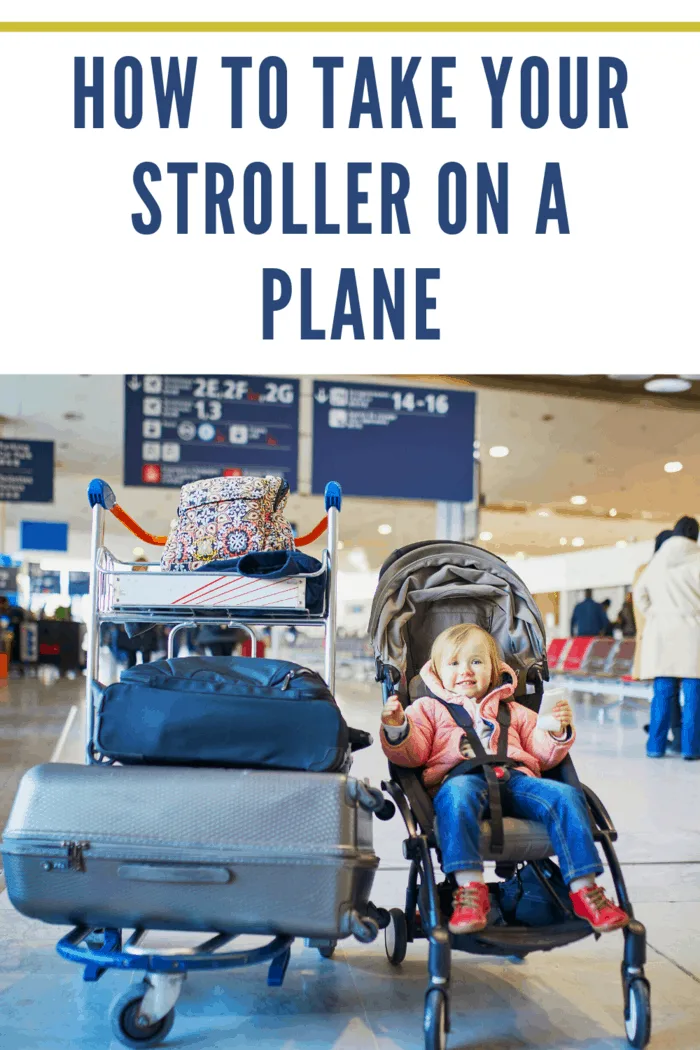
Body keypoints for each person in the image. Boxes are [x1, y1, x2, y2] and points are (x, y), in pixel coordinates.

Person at [380, 623, 629, 935]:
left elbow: (543, 755)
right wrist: (396, 727)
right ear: (436, 672)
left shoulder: (513, 711)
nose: (465, 671)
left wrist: (554, 730)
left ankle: (585, 890)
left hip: (515, 779)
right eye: (454, 663)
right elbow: (412, 755)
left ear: (494, 669)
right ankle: (470, 891)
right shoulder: (427, 709)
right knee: (457, 793)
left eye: (476, 661)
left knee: (565, 795)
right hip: (461, 781)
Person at [633, 516, 700, 761]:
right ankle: (691, 749)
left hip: (661, 633)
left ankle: (655, 746)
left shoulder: (658, 560)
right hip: (693, 633)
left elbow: (640, 594)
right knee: (693, 693)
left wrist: (655, 614)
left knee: (663, 692)